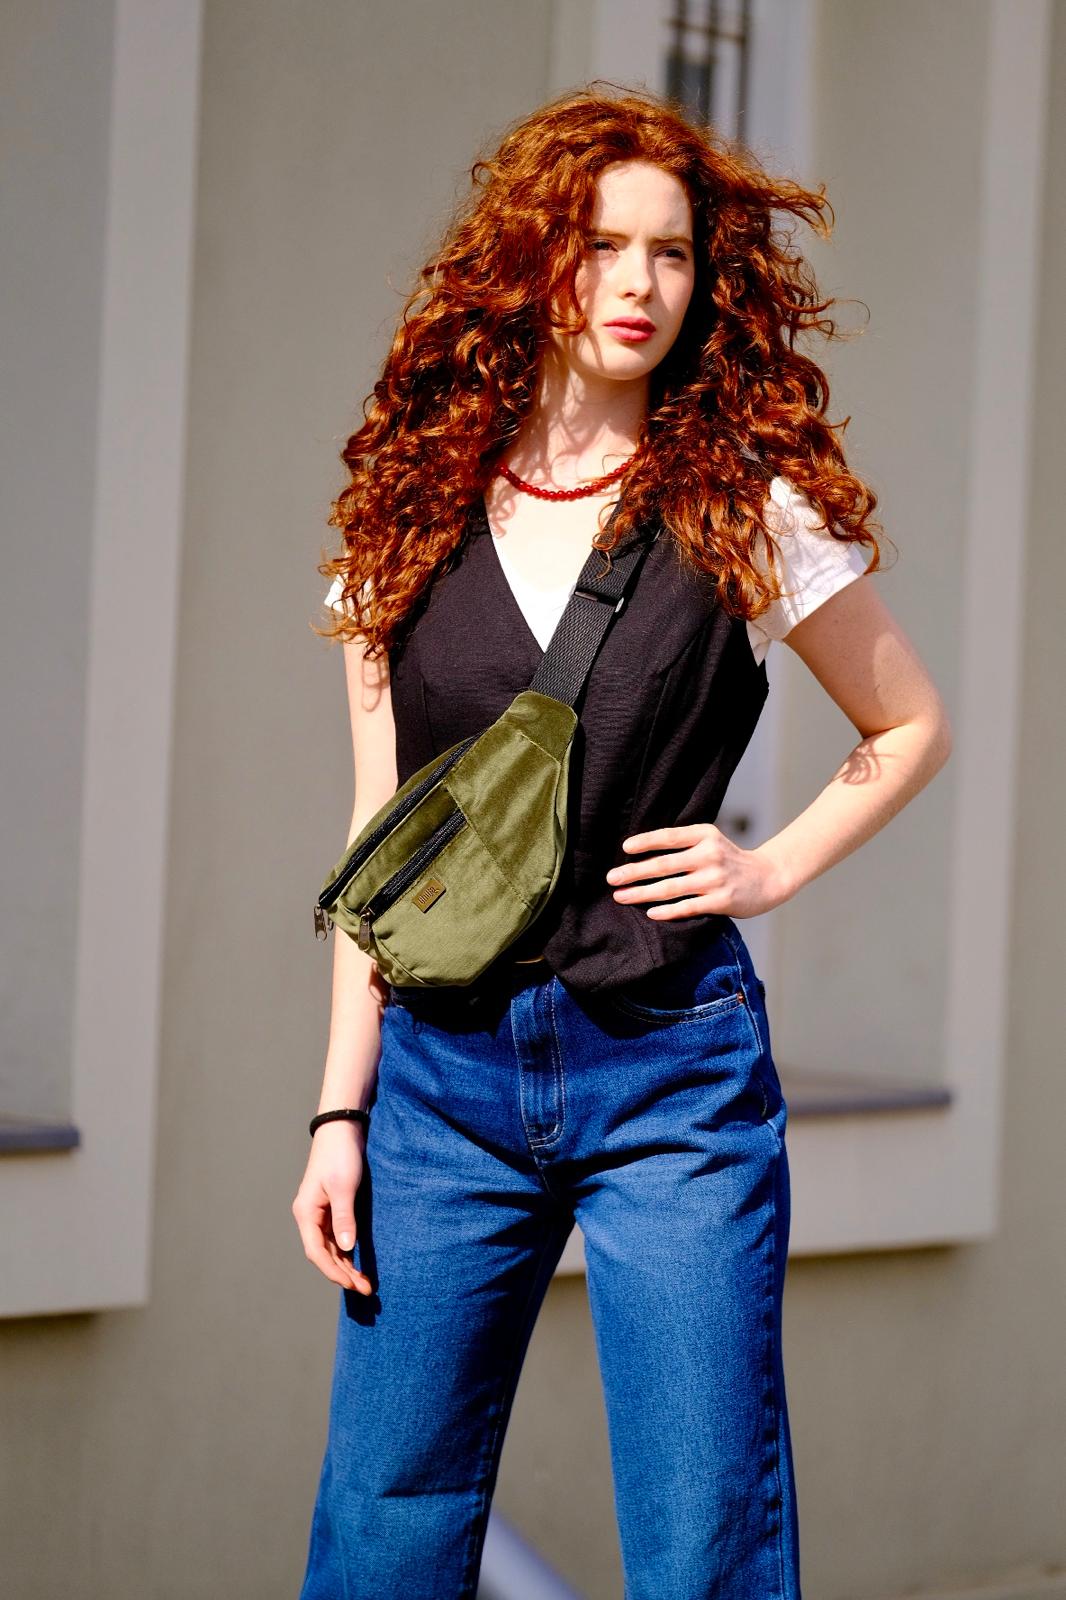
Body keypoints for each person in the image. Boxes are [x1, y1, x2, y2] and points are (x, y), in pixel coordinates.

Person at [293, 84, 952, 1600]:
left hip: (671, 1073)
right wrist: (339, 1111)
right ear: (533, 259)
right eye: (601, 244)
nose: (639, 282)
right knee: (384, 1522)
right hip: (440, 1085)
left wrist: (770, 866)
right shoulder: (407, 516)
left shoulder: (745, 508)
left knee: (705, 1531)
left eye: (671, 251)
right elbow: (379, 844)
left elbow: (909, 723)